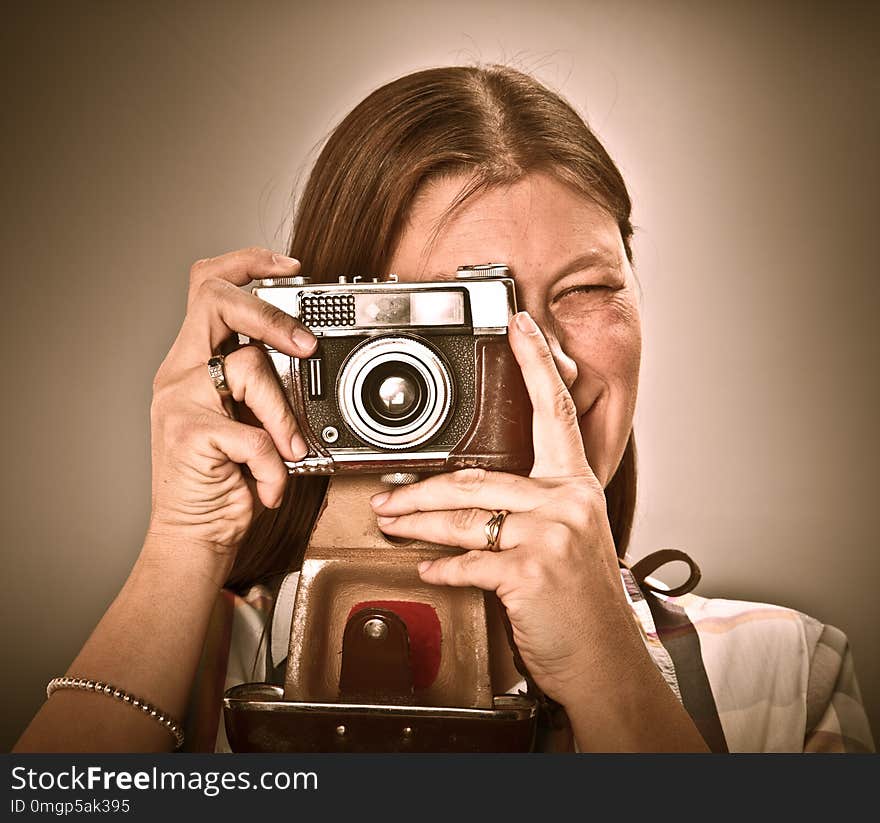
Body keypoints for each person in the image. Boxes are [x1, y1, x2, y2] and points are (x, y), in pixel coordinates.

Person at [14, 65, 874, 754]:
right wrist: (182, 543)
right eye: (466, 315)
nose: (546, 362)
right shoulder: (198, 673)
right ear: (326, 348)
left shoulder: (783, 673)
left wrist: (615, 678)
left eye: (588, 290)